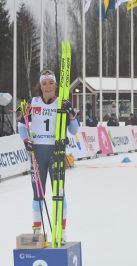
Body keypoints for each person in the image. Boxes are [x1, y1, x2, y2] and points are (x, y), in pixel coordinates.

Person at [18, 69, 79, 243]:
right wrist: (26, 141)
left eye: (51, 83)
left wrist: (72, 114)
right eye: (44, 83)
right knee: (38, 193)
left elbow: (74, 131)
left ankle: (62, 229)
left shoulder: (62, 103)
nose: (47, 86)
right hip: (37, 153)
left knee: (59, 192)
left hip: (56, 152)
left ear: (55, 85)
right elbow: (22, 126)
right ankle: (37, 230)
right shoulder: (33, 103)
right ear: (40, 86)